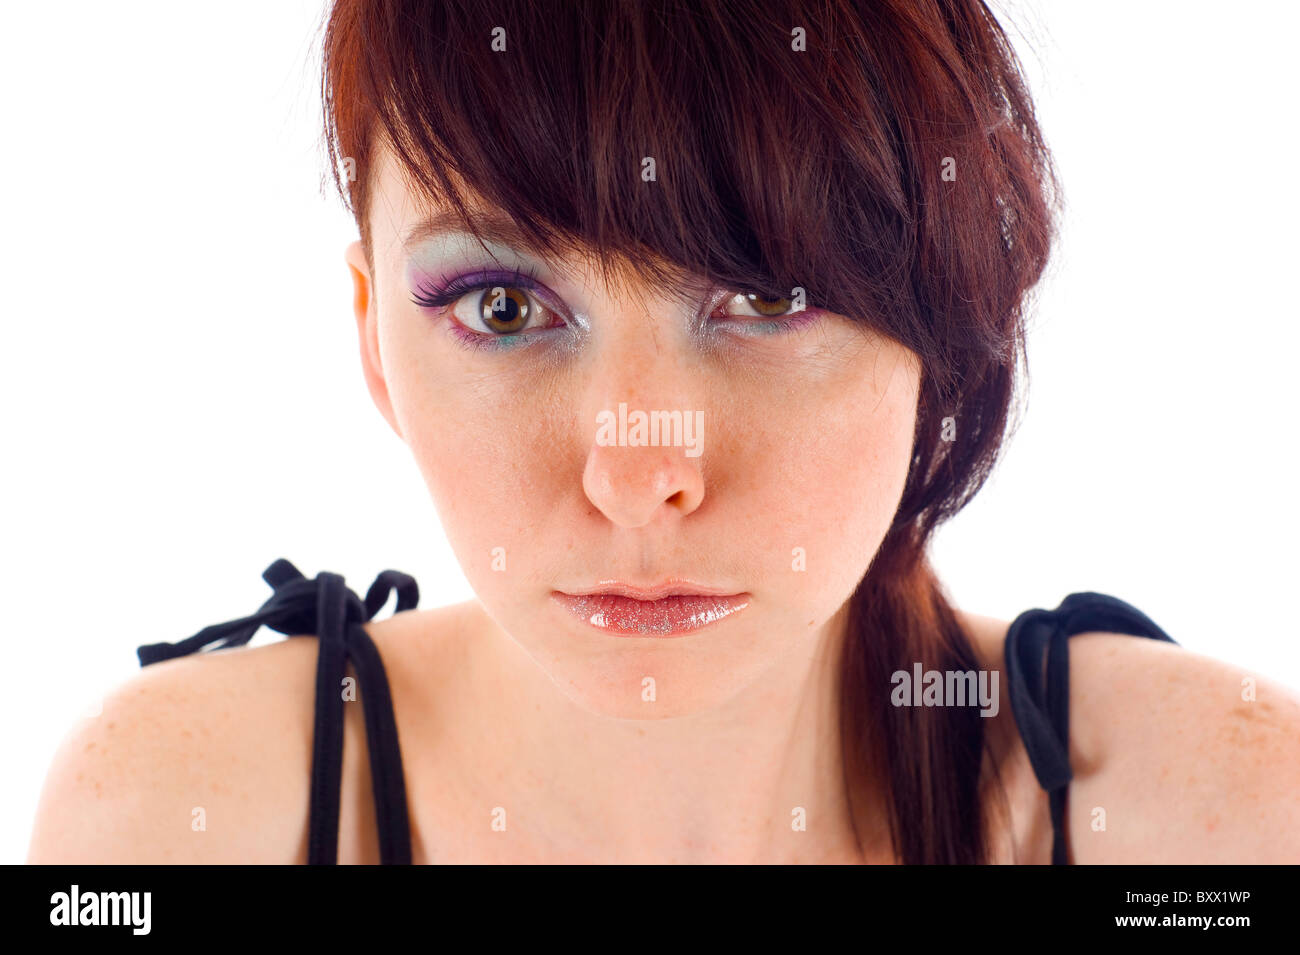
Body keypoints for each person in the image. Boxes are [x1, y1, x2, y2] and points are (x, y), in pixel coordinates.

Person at [27, 0, 1300, 864]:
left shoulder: (1201, 821)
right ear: (372, 333)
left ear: (951, 298)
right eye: (503, 304)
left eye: (767, 294)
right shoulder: (179, 820)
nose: (638, 476)